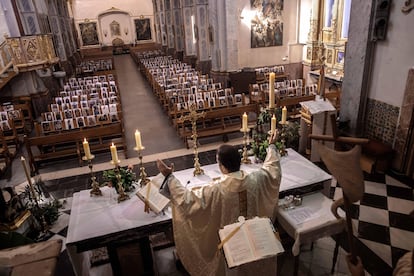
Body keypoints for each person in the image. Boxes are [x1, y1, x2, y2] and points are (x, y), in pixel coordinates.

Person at [156, 131, 282, 275]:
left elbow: (187, 200)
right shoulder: (256, 179)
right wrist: (271, 146)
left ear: (222, 167)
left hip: (232, 247)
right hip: (257, 240)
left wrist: (170, 178)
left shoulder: (217, 190)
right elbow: (272, 170)